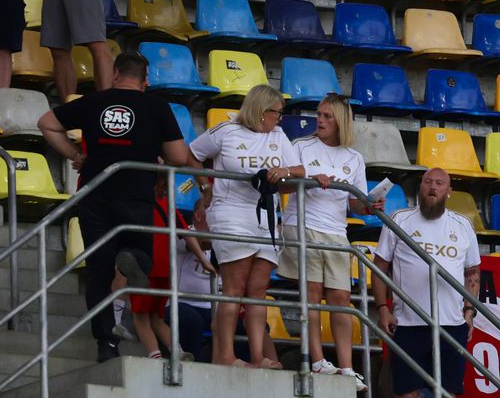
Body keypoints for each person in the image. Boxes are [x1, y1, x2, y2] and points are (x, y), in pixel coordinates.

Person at [36, 51, 187, 363]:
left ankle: (106, 343)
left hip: (95, 193)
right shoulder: (156, 106)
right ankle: (130, 258)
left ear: (116, 73)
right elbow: (179, 157)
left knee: (98, 272)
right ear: (145, 81)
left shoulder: (94, 101)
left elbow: (46, 123)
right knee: (140, 256)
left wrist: (74, 154)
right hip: (136, 194)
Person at [372, 168, 480, 398]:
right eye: (428, 183)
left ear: (449, 191)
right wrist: (383, 307)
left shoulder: (462, 226)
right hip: (409, 322)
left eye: (439, 184)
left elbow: (473, 274)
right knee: (405, 394)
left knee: (448, 396)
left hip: (450, 324)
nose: (433, 189)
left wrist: (469, 312)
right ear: (420, 188)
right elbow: (380, 268)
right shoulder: (400, 220)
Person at [187, 84, 303, 368]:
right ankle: (225, 355)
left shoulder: (278, 135)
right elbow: (192, 154)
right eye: (277, 112)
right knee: (234, 288)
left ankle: (257, 356)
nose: (280, 118)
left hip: (265, 216)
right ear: (261, 111)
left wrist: (284, 172)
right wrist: (206, 185)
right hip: (231, 213)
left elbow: (300, 170)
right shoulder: (227, 131)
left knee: (258, 290)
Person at [276, 94, 374, 392]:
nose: (320, 120)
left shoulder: (354, 158)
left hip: (336, 231)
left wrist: (370, 206)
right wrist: (308, 178)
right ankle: (317, 360)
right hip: (302, 224)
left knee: (341, 300)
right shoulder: (300, 146)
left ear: (341, 121)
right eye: (319, 114)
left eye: (327, 116)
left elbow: (355, 205)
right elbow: (280, 182)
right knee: (313, 293)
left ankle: (346, 367)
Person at [165, 196, 215, 364]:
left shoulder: (223, 236)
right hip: (180, 303)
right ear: (198, 215)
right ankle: (191, 366)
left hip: (212, 306)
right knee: (192, 320)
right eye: (209, 208)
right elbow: (195, 244)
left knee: (241, 325)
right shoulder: (185, 233)